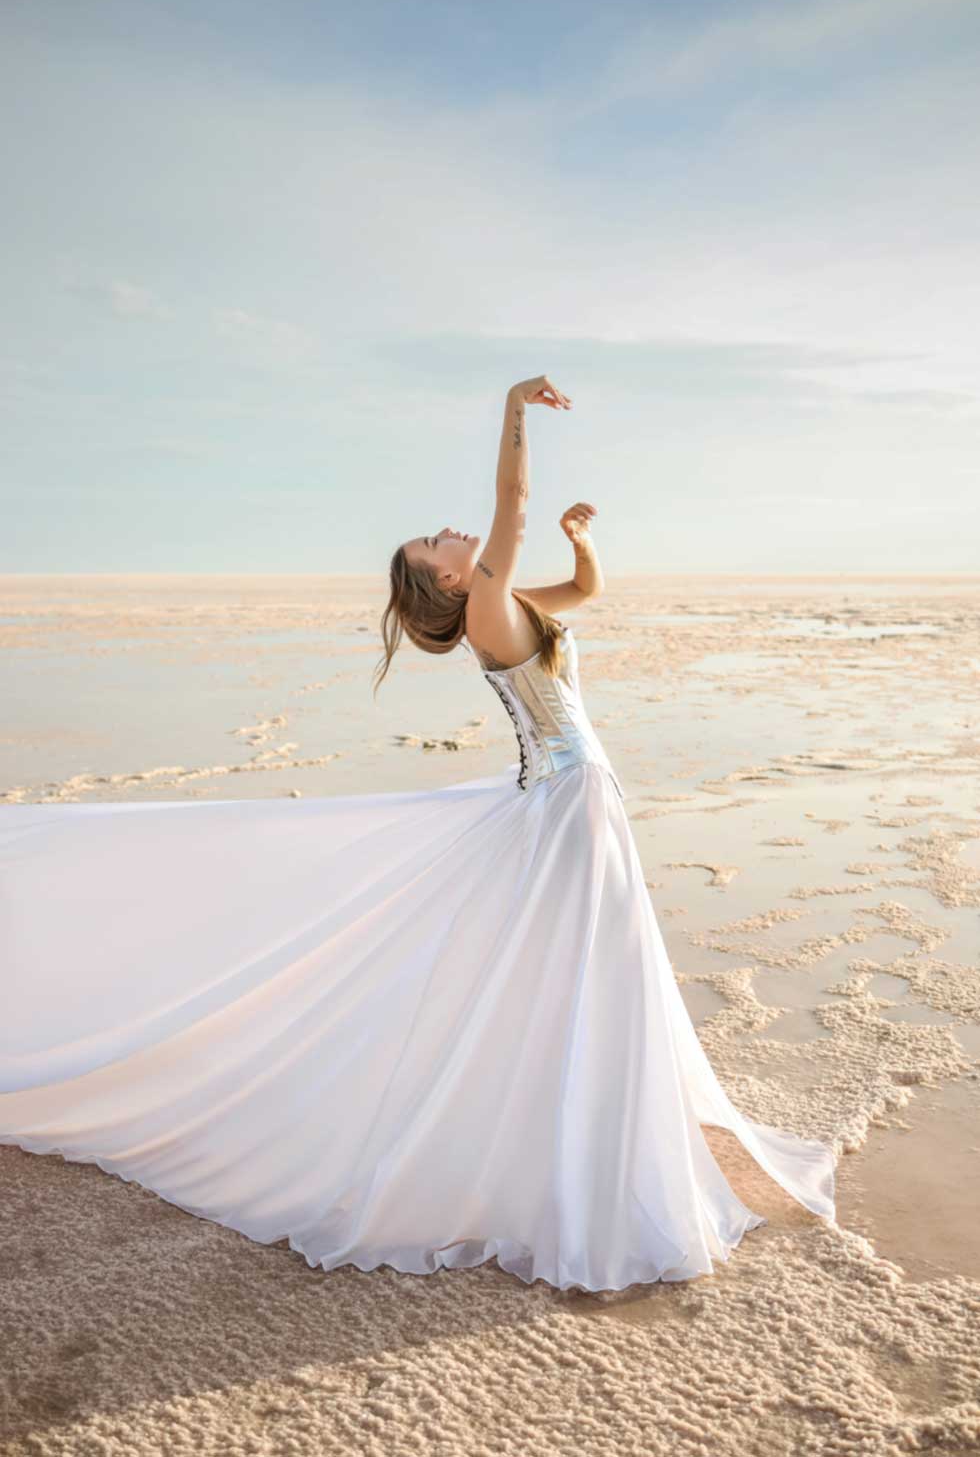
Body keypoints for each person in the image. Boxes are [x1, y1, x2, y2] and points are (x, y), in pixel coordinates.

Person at [0, 377, 836, 1295]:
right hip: (568, 801)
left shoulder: (502, 598)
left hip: (571, 794)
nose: (451, 532)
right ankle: (577, 1150)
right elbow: (509, 500)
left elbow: (585, 592)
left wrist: (582, 539)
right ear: (447, 578)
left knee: (592, 969)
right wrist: (515, 406)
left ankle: (583, 1132)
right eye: (438, 543)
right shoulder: (485, 600)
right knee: (594, 969)